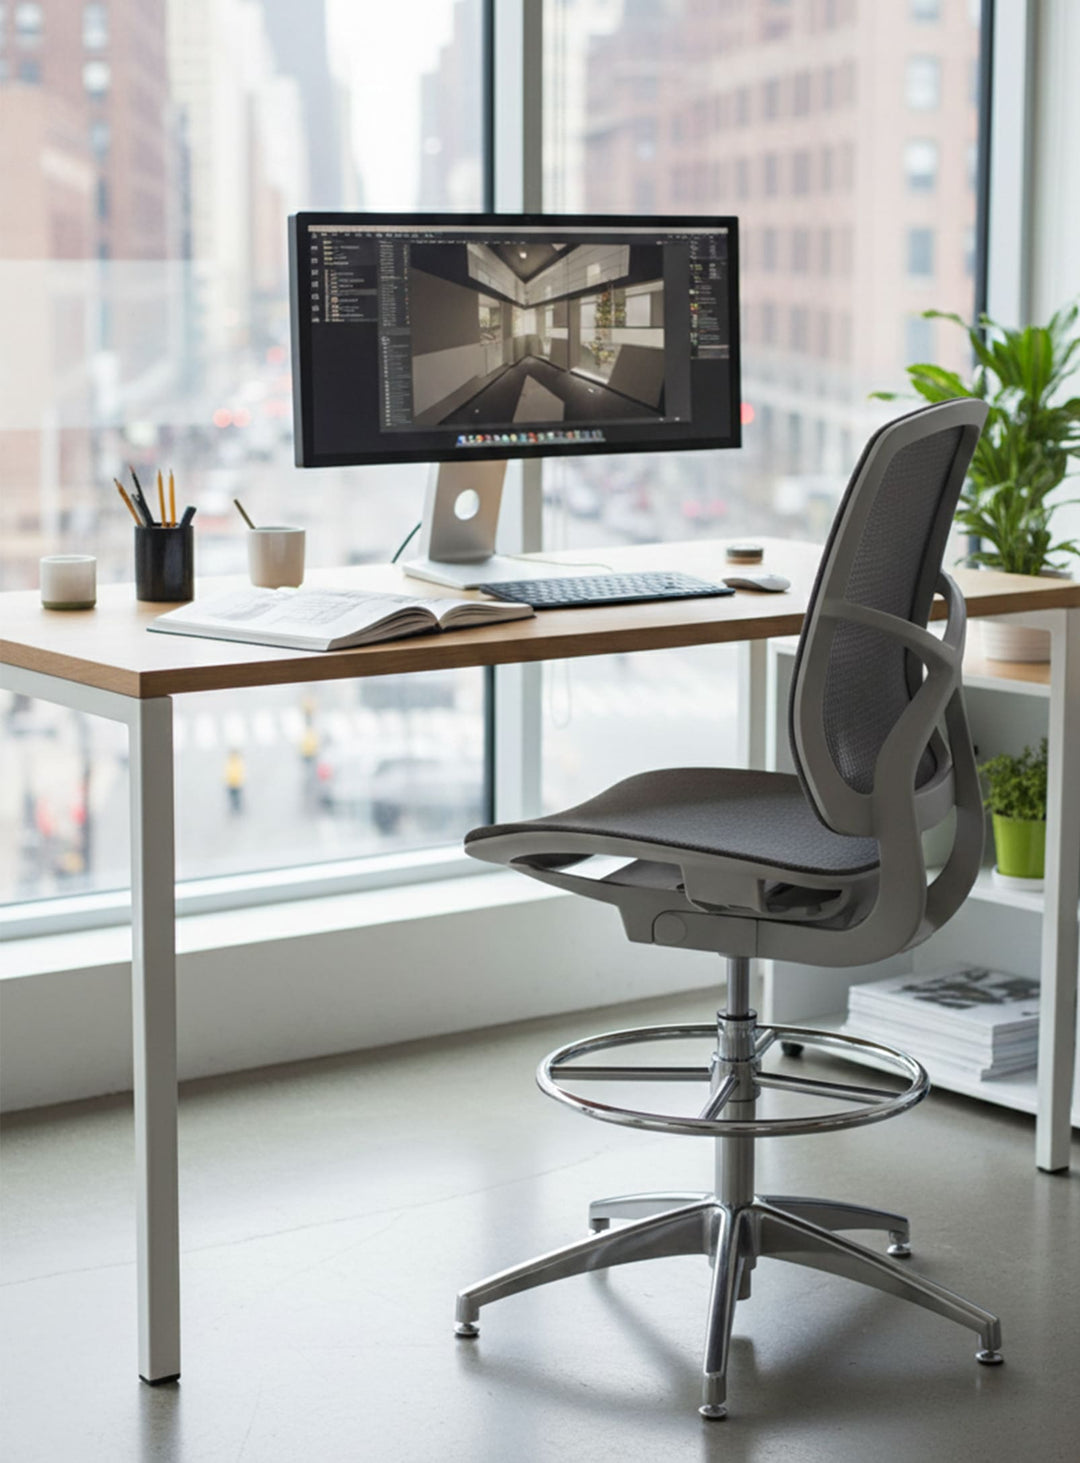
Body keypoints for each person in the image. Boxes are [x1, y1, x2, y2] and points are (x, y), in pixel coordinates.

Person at [224, 748, 246, 814]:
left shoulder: (230, 762)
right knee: (236, 797)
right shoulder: (238, 762)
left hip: (232, 782)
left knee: (233, 797)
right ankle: (236, 808)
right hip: (236, 782)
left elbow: (227, 771)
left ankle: (235, 808)